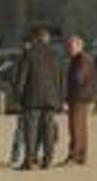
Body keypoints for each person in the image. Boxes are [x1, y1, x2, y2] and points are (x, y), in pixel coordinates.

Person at [14, 26, 61, 170]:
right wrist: (59, 97)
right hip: (51, 98)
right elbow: (59, 78)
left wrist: (18, 96)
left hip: (32, 98)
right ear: (47, 38)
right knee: (48, 130)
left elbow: (22, 77)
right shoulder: (54, 54)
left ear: (35, 38)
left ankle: (30, 160)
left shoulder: (29, 54)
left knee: (31, 130)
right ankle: (48, 160)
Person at [62, 35, 96, 166]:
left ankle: (75, 156)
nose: (68, 49)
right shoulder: (77, 59)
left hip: (79, 97)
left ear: (79, 46)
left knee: (75, 127)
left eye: (71, 46)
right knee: (80, 127)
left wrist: (74, 79)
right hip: (80, 97)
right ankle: (80, 155)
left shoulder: (82, 59)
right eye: (68, 46)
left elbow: (79, 77)